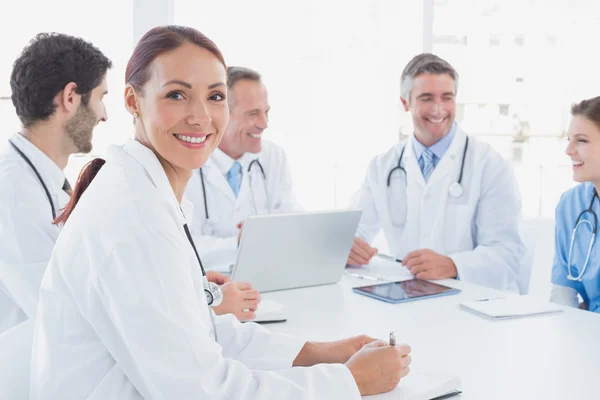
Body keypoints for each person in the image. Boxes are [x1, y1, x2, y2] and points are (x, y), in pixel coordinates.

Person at [30, 25, 411, 399]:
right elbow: (204, 390)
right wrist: (351, 382)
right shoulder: (135, 221)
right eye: (177, 95)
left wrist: (320, 353)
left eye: (214, 97)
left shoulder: (144, 192)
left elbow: (199, 331)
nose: (200, 116)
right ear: (132, 101)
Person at [347, 53, 525, 292]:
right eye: (426, 98)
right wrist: (345, 246)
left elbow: (507, 254)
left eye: (447, 98)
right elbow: (354, 230)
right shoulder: (383, 167)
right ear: (405, 103)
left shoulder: (490, 165)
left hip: (474, 304)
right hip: (407, 298)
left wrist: (453, 265)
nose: (438, 109)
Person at [0, 33, 111, 335]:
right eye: (101, 97)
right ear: (71, 97)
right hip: (25, 376)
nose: (104, 115)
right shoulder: (12, 193)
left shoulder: (42, 180)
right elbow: (59, 313)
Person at [184, 66, 300, 268]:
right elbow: (182, 249)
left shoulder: (273, 156)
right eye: (253, 113)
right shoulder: (185, 164)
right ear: (220, 114)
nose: (264, 124)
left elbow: (291, 222)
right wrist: (239, 244)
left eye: (266, 112)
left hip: (269, 277)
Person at [550, 96, 600, 313]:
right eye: (569, 139)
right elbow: (564, 291)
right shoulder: (571, 205)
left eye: (581, 140)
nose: (569, 150)